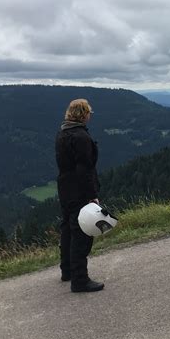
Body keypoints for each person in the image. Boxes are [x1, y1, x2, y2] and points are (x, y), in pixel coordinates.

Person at [55, 98, 104, 293]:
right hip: (79, 190)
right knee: (82, 233)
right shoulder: (81, 137)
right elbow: (84, 168)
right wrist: (92, 195)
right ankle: (80, 280)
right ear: (83, 114)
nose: (90, 116)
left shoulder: (63, 132)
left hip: (65, 188)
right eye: (89, 112)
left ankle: (66, 270)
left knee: (67, 228)